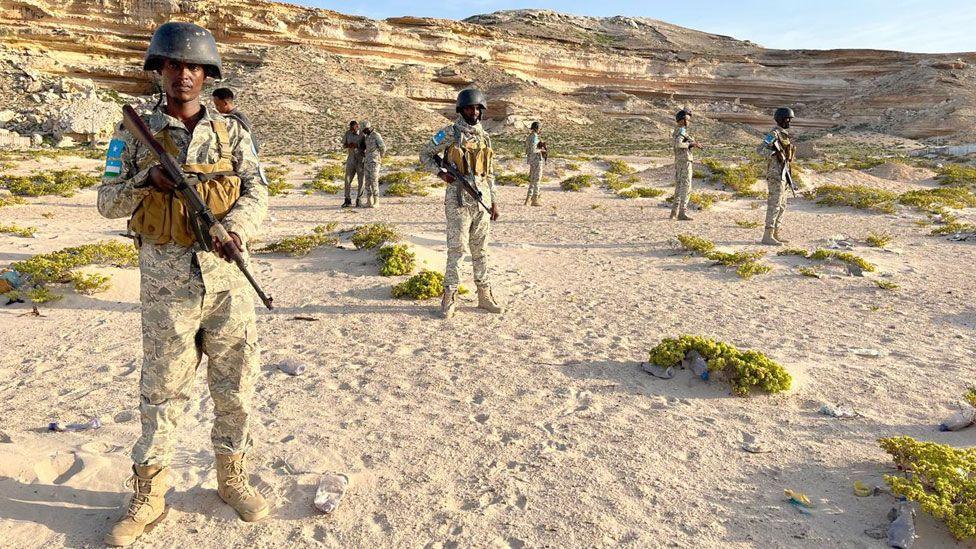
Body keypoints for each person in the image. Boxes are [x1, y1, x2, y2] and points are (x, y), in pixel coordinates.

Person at [96, 22, 269, 546]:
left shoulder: (232, 132)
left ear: (207, 75)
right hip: (166, 286)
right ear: (159, 72)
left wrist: (233, 229)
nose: (184, 75)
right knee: (162, 389)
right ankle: (150, 491)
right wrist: (146, 181)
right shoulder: (133, 133)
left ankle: (231, 475)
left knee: (235, 383)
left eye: (194, 67)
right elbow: (107, 203)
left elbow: (257, 192)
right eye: (173, 65)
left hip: (227, 282)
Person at [420, 88, 504, 319]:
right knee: (457, 249)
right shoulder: (449, 133)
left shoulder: (484, 137)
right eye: (469, 107)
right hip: (458, 200)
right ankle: (450, 295)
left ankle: (484, 295)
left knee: (481, 250)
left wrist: (494, 201)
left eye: (477, 108)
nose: (474, 112)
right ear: (461, 109)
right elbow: (425, 154)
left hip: (482, 201)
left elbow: (490, 173)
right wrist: (440, 174)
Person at [757, 107, 796, 245]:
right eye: (787, 119)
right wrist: (773, 154)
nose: (789, 121)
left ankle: (775, 233)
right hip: (775, 174)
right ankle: (767, 235)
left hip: (784, 173)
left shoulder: (784, 135)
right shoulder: (773, 133)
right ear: (781, 119)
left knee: (782, 205)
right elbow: (760, 149)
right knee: (774, 204)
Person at [670, 109, 701, 220]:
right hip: (685, 161)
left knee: (678, 187)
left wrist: (691, 144)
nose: (688, 121)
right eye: (687, 119)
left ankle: (674, 212)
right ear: (682, 120)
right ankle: (682, 213)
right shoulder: (682, 130)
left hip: (679, 161)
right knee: (686, 187)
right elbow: (679, 144)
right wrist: (690, 144)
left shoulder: (676, 130)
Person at [212, 87, 258, 153]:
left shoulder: (239, 118)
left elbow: (249, 139)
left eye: (217, 105)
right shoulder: (223, 118)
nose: (216, 108)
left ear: (225, 103)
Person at [359, 120, 385, 208]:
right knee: (367, 182)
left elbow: (383, 148)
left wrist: (379, 158)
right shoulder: (367, 137)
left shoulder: (376, 135)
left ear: (368, 128)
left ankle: (376, 201)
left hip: (374, 162)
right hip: (367, 162)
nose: (363, 131)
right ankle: (369, 201)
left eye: (364, 129)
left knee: (374, 182)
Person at [342, 120, 364, 208]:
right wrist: (348, 145)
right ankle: (347, 200)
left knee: (361, 181)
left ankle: (359, 200)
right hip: (351, 159)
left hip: (360, 159)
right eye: (350, 128)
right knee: (347, 180)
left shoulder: (363, 134)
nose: (352, 130)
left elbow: (367, 146)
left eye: (353, 128)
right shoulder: (348, 133)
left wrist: (358, 146)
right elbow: (344, 145)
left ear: (357, 126)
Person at [524, 121, 546, 206]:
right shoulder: (534, 137)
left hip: (531, 159)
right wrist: (541, 150)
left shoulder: (529, 136)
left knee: (532, 179)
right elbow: (533, 150)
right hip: (536, 159)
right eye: (540, 128)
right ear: (537, 128)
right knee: (537, 179)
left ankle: (528, 199)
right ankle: (535, 199)